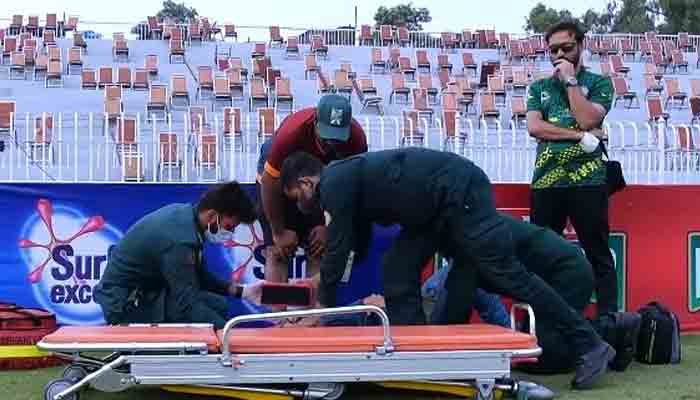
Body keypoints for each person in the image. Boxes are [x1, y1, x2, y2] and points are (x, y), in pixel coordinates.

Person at [280, 148, 615, 390]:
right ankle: (418, 359)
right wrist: (318, 282)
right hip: (431, 211)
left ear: (308, 182)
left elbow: (338, 250)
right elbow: (355, 246)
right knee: (397, 269)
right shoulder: (347, 182)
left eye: (296, 196)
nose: (300, 205)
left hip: (457, 192)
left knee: (507, 274)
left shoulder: (334, 183)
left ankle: (589, 344)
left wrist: (322, 307)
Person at [427, 212, 641, 373]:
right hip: (558, 271)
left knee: (542, 358)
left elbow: (456, 309)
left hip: (567, 273)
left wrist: (440, 351)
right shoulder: (472, 234)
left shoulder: (471, 245)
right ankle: (605, 335)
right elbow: (466, 305)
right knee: (534, 351)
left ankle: (611, 328)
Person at [526, 21, 618, 323]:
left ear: (581, 45)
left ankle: (608, 325)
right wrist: (578, 135)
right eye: (553, 49)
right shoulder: (538, 87)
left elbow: (586, 116)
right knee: (539, 256)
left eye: (566, 47)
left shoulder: (601, 83)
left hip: (589, 181)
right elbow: (535, 127)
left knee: (598, 254)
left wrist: (569, 81)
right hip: (546, 183)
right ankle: (539, 325)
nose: (559, 54)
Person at [94, 182, 265, 330]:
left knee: (217, 304)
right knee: (200, 312)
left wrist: (244, 292)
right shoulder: (179, 240)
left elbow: (198, 277)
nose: (230, 232)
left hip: (145, 293)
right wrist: (227, 337)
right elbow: (186, 304)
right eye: (229, 226)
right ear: (213, 216)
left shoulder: (186, 219)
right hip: (124, 306)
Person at [256, 94, 367, 288]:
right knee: (278, 252)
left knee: (318, 248)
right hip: (282, 183)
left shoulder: (357, 140)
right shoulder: (290, 135)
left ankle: (312, 316)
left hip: (322, 186)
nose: (331, 144)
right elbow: (269, 182)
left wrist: (329, 228)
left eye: (337, 138)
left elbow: (352, 192)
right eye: (325, 137)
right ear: (315, 122)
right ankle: (279, 317)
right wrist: (279, 231)